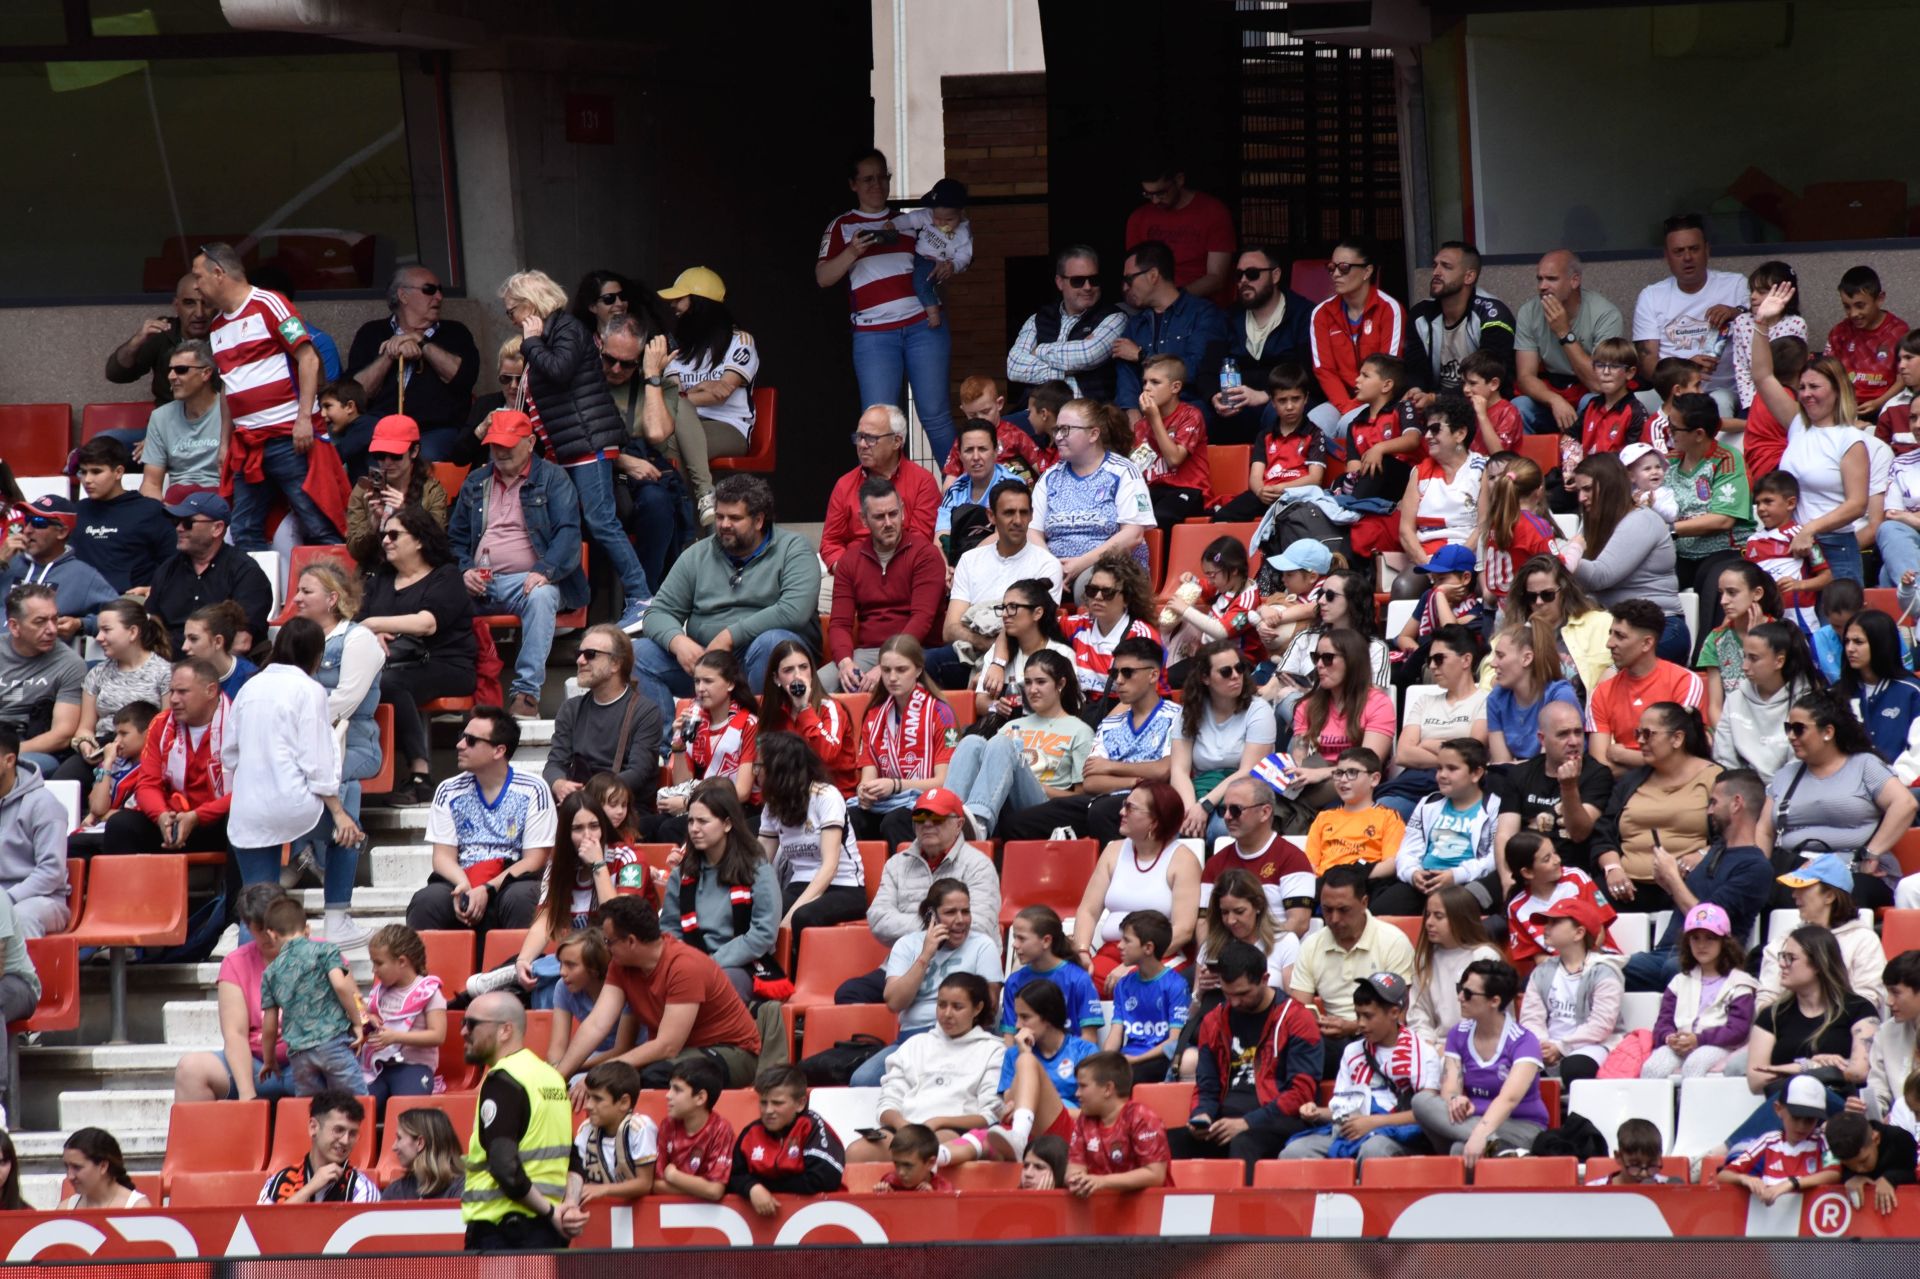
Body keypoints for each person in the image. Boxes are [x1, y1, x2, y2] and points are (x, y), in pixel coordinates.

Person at [499, 269, 653, 632]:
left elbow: (559, 370)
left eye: (512, 310)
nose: (511, 319)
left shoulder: (566, 328)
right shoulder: (549, 334)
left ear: (531, 303)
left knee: (601, 521)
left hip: (588, 442)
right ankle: (572, 600)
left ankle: (642, 597)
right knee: (565, 522)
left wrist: (531, 342)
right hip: (569, 446)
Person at [635, 474, 822, 748]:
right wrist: (678, 642)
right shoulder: (697, 555)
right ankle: (671, 749)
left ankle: (756, 745)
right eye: (720, 516)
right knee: (639, 653)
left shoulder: (793, 549)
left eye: (734, 518)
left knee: (772, 642)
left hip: (762, 659)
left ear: (759, 520)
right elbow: (657, 613)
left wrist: (730, 636)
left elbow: (794, 610)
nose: (723, 524)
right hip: (708, 659)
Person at [192, 242, 350, 549]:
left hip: (290, 439)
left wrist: (304, 419)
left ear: (219, 273)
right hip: (248, 445)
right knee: (244, 530)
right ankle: (257, 584)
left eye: (199, 276)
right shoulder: (217, 326)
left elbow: (308, 358)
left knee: (320, 523)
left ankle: (337, 581)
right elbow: (229, 386)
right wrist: (224, 443)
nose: (196, 285)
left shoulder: (269, 303)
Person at [224, 618, 368, 946]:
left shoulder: (249, 687)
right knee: (350, 832)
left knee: (257, 906)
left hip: (249, 809)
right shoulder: (310, 689)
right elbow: (318, 760)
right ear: (317, 655)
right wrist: (339, 812)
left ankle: (248, 977)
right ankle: (337, 921)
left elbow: (228, 753)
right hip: (293, 804)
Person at [817, 147, 955, 465]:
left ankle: (961, 491)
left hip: (924, 326)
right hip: (874, 334)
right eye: (868, 179)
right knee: (878, 423)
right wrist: (853, 251)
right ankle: (882, 495)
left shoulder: (909, 222)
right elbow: (823, 277)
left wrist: (947, 265)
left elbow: (946, 254)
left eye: (882, 177)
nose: (876, 185)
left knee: (935, 415)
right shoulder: (842, 225)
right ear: (853, 184)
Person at [447, 409, 586, 722]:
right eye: (495, 444)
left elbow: (568, 534)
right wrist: (464, 570)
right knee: (441, 596)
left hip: (528, 580)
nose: (500, 451)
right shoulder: (476, 480)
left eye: (508, 444)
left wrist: (544, 570)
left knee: (542, 595)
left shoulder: (553, 478)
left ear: (531, 442)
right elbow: (454, 540)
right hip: (480, 580)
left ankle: (526, 695)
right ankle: (457, 691)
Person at [560, 893, 763, 1090]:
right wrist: (559, 1076)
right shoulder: (620, 965)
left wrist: (600, 1072)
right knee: (627, 1078)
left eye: (609, 942)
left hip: (732, 1052)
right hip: (682, 1053)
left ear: (631, 941)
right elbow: (597, 1023)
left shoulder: (684, 966)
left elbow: (668, 1045)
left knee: (653, 1076)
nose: (606, 949)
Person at [1752, 281, 1873, 584]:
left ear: (1836, 390)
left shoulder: (1850, 439)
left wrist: (1811, 529)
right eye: (1802, 386)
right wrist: (1762, 323)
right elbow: (1762, 375)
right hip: (1794, 545)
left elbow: (1857, 505)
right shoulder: (1797, 424)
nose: (1806, 394)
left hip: (1834, 546)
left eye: (1815, 387)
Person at [1172, 940, 1323, 1168]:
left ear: (1264, 979)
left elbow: (1300, 1093)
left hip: (1278, 1120)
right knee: (1168, 1142)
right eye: (1227, 993)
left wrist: (1247, 1122)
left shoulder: (1297, 1019)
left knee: (1244, 1143)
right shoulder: (1214, 1021)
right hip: (1224, 1121)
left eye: (1243, 993)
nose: (1234, 1002)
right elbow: (1207, 1086)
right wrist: (1202, 1115)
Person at [282, 563, 381, 908]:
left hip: (355, 743)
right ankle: (314, 859)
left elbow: (347, 699)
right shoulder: (295, 638)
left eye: (306, 591)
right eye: (298, 590)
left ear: (332, 599)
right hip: (305, 742)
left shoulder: (359, 638)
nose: (296, 598)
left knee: (330, 776)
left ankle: (317, 862)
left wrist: (299, 722)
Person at [404, 706, 553, 935]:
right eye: (461, 736)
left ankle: (518, 959)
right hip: (461, 876)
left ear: (498, 751)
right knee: (427, 900)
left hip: (510, 880)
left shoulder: (533, 789)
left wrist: (487, 888)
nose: (460, 745)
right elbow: (442, 857)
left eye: (471, 740)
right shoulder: (448, 790)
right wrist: (463, 885)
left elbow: (534, 859)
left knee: (522, 897)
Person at [364, 504, 478, 805]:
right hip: (396, 662)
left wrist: (375, 624)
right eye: (384, 534)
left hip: (446, 664)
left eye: (394, 534)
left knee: (390, 684)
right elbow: (357, 620)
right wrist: (372, 634)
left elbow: (427, 623)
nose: (385, 540)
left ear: (418, 540)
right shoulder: (381, 580)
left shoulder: (446, 576)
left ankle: (420, 775)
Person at [1728, 926, 1877, 1150]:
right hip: (1787, 1112)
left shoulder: (1858, 1009)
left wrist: (1802, 1069)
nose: (1782, 964)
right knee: (1794, 1092)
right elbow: (1756, 1080)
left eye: (1791, 958)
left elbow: (1858, 1071)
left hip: (1840, 1111)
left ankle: (1732, 1151)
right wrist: (1815, 1067)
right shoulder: (1772, 1015)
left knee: (1802, 1088)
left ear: (1817, 964)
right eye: (1782, 957)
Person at [459, 992, 588, 1250]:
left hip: (504, 1233)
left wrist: (552, 1212)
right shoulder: (551, 1078)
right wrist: (569, 1207)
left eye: (471, 1024)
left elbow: (505, 1167)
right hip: (547, 1232)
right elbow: (573, 1157)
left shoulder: (503, 1079)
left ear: (505, 1030)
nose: (463, 1032)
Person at [1765, 693, 1914, 913]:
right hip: (1794, 869)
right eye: (1788, 728)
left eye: (1799, 729)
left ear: (1828, 732)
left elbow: (1905, 804)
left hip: (1851, 869)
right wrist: (1760, 870)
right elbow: (1764, 830)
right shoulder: (1786, 775)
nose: (1791, 736)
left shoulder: (1865, 765)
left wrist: (1871, 854)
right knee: (1763, 891)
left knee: (1828, 895)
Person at [854, 878, 1005, 1088]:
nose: (960, 920)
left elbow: (989, 1008)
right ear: (931, 915)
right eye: (950, 912)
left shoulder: (982, 945)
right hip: (913, 1040)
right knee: (863, 1080)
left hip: (963, 1038)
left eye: (966, 911)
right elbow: (895, 1002)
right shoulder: (907, 945)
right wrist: (926, 955)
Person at [846, 971, 1007, 1164]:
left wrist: (939, 1121)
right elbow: (888, 1103)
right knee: (857, 1152)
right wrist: (903, 1125)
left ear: (977, 1008)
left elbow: (990, 1115)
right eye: (942, 1005)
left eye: (957, 1007)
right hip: (906, 1129)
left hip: (955, 1130)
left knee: (924, 1150)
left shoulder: (993, 1050)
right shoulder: (915, 1045)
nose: (947, 1014)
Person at [1283, 970, 1438, 1165]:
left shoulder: (1423, 1052)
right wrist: (1317, 1112)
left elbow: (1427, 1114)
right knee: (1294, 1152)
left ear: (1394, 1012)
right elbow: (1343, 1109)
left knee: (1374, 1149)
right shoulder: (1353, 1051)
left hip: (1400, 1136)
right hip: (1351, 1131)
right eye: (1357, 1015)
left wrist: (1373, 1123)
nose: (1361, 1024)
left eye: (1368, 1016)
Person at [1410, 958, 1549, 1167]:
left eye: (1468, 994)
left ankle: (1491, 1144)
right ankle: (1497, 1147)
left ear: (1494, 1001)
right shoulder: (1458, 1034)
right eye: (1460, 989)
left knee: (1460, 1149)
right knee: (1421, 1102)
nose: (1459, 998)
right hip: (1470, 1120)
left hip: (1519, 1125)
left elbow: (1509, 1099)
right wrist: (1455, 1099)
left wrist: (1481, 1134)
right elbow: (1450, 1087)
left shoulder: (1524, 1041)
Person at [943, 651, 1093, 838]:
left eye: (1041, 682)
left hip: (1042, 807)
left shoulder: (1079, 730)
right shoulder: (1011, 726)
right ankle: (945, 816)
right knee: (971, 742)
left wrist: (1043, 789)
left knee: (1002, 743)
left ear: (1061, 684)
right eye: (1028, 683)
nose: (1032, 690)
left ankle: (979, 821)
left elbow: (1082, 798)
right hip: (1000, 802)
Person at [1070, 783, 1201, 993]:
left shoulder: (1183, 860)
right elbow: (1088, 910)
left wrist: (1138, 962)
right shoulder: (1112, 851)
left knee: (1135, 988)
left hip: (1160, 955)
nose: (1121, 812)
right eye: (1124, 804)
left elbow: (1183, 929)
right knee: (1075, 987)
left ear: (1155, 821)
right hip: (1113, 950)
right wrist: (1082, 951)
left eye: (1130, 808)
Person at [1590, 702, 1721, 914]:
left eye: (1648, 734)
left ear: (1677, 738)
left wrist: (1702, 854)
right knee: (1586, 902)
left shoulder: (1715, 779)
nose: (1640, 741)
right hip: (1628, 888)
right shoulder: (1630, 782)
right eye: (1638, 733)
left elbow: (1732, 835)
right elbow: (1603, 833)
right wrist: (1613, 869)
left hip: (1688, 884)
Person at [172, 884, 296, 1102]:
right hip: (255, 1064)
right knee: (190, 1071)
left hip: (307, 1062)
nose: (270, 935)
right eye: (260, 928)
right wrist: (247, 1095)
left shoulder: (320, 954)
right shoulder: (235, 963)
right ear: (248, 927)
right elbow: (235, 1034)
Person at [935, 479, 1064, 689]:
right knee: (921, 664)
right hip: (969, 652)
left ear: (1032, 515)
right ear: (991, 516)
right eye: (1009, 513)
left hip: (1022, 657)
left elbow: (1038, 630)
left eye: (1024, 512)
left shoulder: (1047, 564)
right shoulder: (970, 560)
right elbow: (950, 630)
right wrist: (987, 646)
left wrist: (996, 660)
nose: (1018, 520)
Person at [656, 267, 760, 520]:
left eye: (680, 299)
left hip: (730, 426)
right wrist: (699, 390)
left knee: (674, 439)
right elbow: (674, 395)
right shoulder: (678, 349)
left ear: (699, 303)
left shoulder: (739, 342)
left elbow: (721, 393)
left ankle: (686, 523)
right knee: (673, 425)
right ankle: (703, 504)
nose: (673, 305)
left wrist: (685, 397)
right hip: (686, 424)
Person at [99, 657, 230, 857]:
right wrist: (161, 815)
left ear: (210, 691)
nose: (173, 699)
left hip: (215, 821)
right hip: (172, 819)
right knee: (121, 824)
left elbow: (245, 793)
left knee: (239, 817)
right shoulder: (161, 724)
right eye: (172, 691)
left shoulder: (237, 722)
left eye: (183, 692)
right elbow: (147, 784)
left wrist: (197, 816)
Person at [345, 266, 480, 460]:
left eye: (440, 290)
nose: (439, 297)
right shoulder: (371, 332)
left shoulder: (456, 332)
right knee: (364, 455)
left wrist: (422, 342)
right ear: (403, 295)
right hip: (381, 429)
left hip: (434, 430)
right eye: (429, 290)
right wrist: (390, 354)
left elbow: (463, 378)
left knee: (424, 459)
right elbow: (355, 395)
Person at [1291, 865, 1417, 1071]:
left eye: (1343, 910)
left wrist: (1354, 1027)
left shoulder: (1393, 941)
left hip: (1380, 1038)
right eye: (1327, 910)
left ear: (1364, 903)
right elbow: (1299, 1011)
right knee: (1296, 1043)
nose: (1334, 919)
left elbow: (1398, 1018)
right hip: (1330, 1040)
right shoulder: (1311, 945)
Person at [829, 478, 947, 690]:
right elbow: (839, 623)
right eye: (879, 517)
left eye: (893, 514)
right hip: (867, 653)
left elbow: (922, 618)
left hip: (915, 650)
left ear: (903, 511)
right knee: (817, 687)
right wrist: (845, 663)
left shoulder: (925, 554)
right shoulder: (850, 560)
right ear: (863, 520)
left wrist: (886, 666)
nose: (889, 523)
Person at [1570, 457, 1689, 662]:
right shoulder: (1592, 522)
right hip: (1610, 628)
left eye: (1587, 489)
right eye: (1579, 490)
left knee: (1606, 668)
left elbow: (1600, 576)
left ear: (1609, 487)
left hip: (1658, 628)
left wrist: (1563, 558)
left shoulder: (1642, 520)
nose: (1581, 498)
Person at [1029, 399, 1154, 589]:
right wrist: (1052, 568)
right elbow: (1033, 531)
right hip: (1056, 570)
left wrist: (1080, 564)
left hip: (1114, 568)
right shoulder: (1049, 477)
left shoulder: (1123, 471)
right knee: (1021, 588)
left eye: (1066, 430)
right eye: (1057, 430)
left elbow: (1133, 535)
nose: (1058, 437)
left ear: (1093, 434)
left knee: (1088, 586)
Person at [756, 733, 865, 950]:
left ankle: (797, 971)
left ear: (778, 768)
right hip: (799, 883)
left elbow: (829, 867)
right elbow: (758, 861)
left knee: (802, 917)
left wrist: (790, 915)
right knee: (756, 911)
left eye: (759, 766)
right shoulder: (772, 806)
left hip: (843, 887)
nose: (755, 772)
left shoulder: (826, 796)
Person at [543, 622, 661, 814]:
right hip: (580, 809)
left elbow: (638, 773)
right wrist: (559, 784)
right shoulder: (571, 709)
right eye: (578, 653)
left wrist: (593, 794)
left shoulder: (645, 711)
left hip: (624, 810)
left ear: (616, 663)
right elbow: (555, 764)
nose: (580, 660)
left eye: (590, 654)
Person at [1307, 238, 1417, 440]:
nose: (1336, 274)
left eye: (1344, 268)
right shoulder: (1321, 313)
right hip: (1341, 399)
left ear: (1367, 271)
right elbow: (1324, 369)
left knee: (1349, 425)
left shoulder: (1389, 308)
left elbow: (1388, 367)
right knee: (1312, 426)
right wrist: (1346, 405)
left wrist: (1355, 407)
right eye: (1331, 268)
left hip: (1381, 398)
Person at [850, 636, 957, 845]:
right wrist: (864, 792)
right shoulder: (874, 715)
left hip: (929, 805)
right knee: (850, 818)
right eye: (886, 670)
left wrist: (896, 785)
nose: (892, 678)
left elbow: (944, 782)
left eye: (901, 670)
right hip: (884, 804)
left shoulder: (941, 713)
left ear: (918, 670)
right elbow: (867, 778)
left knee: (895, 821)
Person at [1630, 214, 1749, 401]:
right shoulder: (1651, 296)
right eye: (1678, 251)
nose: (1687, 257)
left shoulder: (1735, 285)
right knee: (1635, 404)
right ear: (1667, 256)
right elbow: (1647, 364)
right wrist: (1684, 369)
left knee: (1721, 402)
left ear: (1707, 250)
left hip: (1720, 391)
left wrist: (1735, 313)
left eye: (1694, 249)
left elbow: (1763, 323)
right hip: (1670, 392)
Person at [1377, 738, 1501, 915]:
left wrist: (1456, 875)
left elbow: (1494, 857)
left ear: (1476, 773)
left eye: (1452, 768)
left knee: (1448, 912)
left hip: (1465, 880)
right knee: (1381, 910)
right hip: (1424, 878)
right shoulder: (1428, 803)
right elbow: (1408, 849)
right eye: (1439, 768)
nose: (1442, 775)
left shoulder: (1494, 807)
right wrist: (1413, 874)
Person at [1287, 628, 1396, 829]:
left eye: (1328, 658)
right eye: (1316, 657)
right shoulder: (1308, 705)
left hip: (1357, 782)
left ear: (1352, 661)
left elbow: (1368, 763)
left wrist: (1323, 773)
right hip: (1316, 779)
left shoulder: (1378, 704)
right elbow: (1300, 756)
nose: (1319, 665)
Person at [257, 895, 365, 1096]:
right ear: (307, 929)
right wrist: (357, 1022)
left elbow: (269, 1026)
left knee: (313, 1107)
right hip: (333, 1042)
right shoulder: (325, 950)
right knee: (355, 1101)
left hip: (300, 1054)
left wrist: (269, 1060)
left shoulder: (270, 973)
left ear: (271, 934)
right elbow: (340, 985)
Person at [56, 599, 170, 787]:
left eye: (106, 630)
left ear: (132, 632)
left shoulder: (164, 673)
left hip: (144, 750)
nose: (99, 637)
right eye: (99, 630)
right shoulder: (97, 673)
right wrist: (85, 743)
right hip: (103, 747)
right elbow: (85, 728)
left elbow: (167, 729)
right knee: (62, 782)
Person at [1638, 902, 1758, 1081]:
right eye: (1695, 938)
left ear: (1724, 942)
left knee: (1695, 1064)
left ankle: (1691, 1100)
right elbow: (1663, 1023)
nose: (1702, 945)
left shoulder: (1740, 983)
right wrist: (1670, 1037)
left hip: (1721, 1046)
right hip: (1680, 1044)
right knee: (1652, 1067)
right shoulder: (1679, 982)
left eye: (1710, 938)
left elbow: (1738, 1030)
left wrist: (1698, 1039)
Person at [1510, 250, 1626, 433]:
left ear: (1574, 280)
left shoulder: (1605, 314)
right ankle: (1530, 454)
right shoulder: (1529, 311)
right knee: (1519, 406)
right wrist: (1554, 400)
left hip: (1588, 391)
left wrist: (1564, 332)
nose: (1542, 286)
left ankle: (1587, 453)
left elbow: (1599, 383)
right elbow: (1525, 377)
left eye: (1551, 279)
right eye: (1539, 279)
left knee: (1592, 402)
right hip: (1552, 391)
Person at [1585, 601, 1706, 776]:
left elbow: (1682, 758)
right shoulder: (1602, 692)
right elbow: (1600, 767)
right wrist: (1654, 765)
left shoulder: (1685, 682)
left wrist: (1623, 755)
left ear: (1647, 643)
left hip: (1679, 785)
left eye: (1620, 636)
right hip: (1623, 788)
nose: (1609, 643)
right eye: (1610, 634)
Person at [145, 490, 272, 657]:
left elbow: (241, 642)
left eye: (188, 523)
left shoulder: (246, 573)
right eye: (176, 521)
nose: (179, 528)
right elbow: (151, 628)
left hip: (221, 665)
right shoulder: (167, 570)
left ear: (217, 528)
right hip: (167, 663)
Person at [1172, 643, 1277, 842]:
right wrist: (1190, 810)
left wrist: (1204, 805)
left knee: (1221, 830)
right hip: (1199, 790)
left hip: (1245, 797)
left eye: (1240, 668)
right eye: (1226, 672)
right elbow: (1179, 770)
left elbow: (1248, 771)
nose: (1236, 676)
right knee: (1174, 829)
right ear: (1205, 678)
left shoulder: (1258, 710)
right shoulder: (1190, 711)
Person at [1377, 625, 1486, 818]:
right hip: (1413, 786)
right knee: (1380, 815)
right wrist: (1453, 762)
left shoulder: (1486, 700)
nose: (1432, 666)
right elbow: (1403, 754)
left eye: (1439, 659)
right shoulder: (1424, 701)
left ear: (1466, 660)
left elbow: (1473, 754)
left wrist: (1427, 744)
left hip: (1460, 790)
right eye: (1429, 660)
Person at [820, 405, 941, 575]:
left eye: (871, 438)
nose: (862, 444)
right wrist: (846, 570)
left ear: (896, 441)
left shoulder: (923, 482)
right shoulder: (844, 484)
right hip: (853, 573)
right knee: (819, 590)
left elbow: (919, 541)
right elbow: (830, 542)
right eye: (859, 437)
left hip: (904, 572)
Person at [1516, 897, 1624, 1084]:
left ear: (1579, 933)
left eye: (1554, 922)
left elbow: (1601, 1025)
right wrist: (1541, 1046)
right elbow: (1531, 1018)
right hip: (1549, 1045)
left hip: (1593, 1045)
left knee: (1576, 1067)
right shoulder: (1542, 971)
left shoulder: (1604, 971)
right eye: (1547, 922)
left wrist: (1561, 1047)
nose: (1546, 927)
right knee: (1516, 1066)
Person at [1112, 241, 1228, 415]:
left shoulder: (1203, 314)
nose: (1125, 287)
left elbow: (1198, 369)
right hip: (1144, 414)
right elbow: (1126, 381)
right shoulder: (1136, 324)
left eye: (1129, 279)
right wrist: (1133, 417)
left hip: (1189, 412)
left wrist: (1142, 356)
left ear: (1153, 275)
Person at [1764, 854, 1887, 1016]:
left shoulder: (1863, 940)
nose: (1794, 895)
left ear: (1829, 895)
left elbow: (1869, 1000)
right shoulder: (1784, 940)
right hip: (1787, 1027)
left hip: (1845, 1027)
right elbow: (1766, 998)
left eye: (1803, 887)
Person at [1212, 250, 1317, 438]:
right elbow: (1209, 366)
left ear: (1275, 275)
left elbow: (1309, 370)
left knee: (1275, 413)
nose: (1244, 280)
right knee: (1203, 413)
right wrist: (1215, 397)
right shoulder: (1228, 316)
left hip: (1286, 398)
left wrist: (1267, 395)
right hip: (1238, 403)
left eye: (1252, 274)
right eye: (1239, 275)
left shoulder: (1303, 314)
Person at [1006, 245, 1126, 404]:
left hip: (1088, 413)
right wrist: (1064, 371)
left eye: (1094, 280)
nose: (1088, 287)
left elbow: (1087, 354)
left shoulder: (1114, 317)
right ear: (1060, 282)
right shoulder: (1038, 319)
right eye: (1078, 281)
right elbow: (1013, 367)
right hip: (1037, 413)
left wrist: (1039, 351)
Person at [1214, 364, 1326, 521]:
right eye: (1282, 400)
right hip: (1267, 494)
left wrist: (1282, 488)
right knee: (1221, 517)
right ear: (1272, 402)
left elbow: (1315, 478)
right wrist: (1260, 491)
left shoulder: (1314, 433)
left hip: (1297, 494)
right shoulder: (1264, 435)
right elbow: (1255, 476)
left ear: (1306, 398)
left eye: (1295, 399)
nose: (1289, 406)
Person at [728, 1065, 847, 1210]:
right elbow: (732, 1176)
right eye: (763, 1103)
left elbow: (823, 1179)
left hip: (821, 1214)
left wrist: (764, 1188)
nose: (768, 1110)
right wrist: (752, 1188)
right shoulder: (751, 1133)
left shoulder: (812, 1128)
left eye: (777, 1103)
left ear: (800, 1103)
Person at [1716, 621, 1822, 779]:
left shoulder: (1807, 703)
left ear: (1779, 661)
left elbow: (1799, 764)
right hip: (1741, 786)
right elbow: (1724, 758)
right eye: (1744, 656)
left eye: (1753, 658)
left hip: (1789, 788)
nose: (1744, 666)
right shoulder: (1735, 698)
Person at [345, 415, 450, 573]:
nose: (387, 462)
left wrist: (407, 514)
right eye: (380, 455)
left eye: (395, 456)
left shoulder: (432, 491)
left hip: (419, 574)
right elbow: (355, 552)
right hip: (374, 573)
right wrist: (373, 524)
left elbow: (437, 547)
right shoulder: (363, 489)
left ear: (414, 451)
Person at [0, 496, 118, 635]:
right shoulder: (8, 562)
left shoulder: (82, 575)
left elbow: (123, 617)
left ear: (62, 532)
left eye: (38, 522)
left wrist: (81, 624)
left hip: (42, 648)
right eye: (27, 521)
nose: (27, 530)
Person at [1408, 886, 1502, 1056]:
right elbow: (1418, 1013)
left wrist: (1452, 1049)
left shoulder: (1484, 956)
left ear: (1460, 919)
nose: (1429, 922)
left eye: (1438, 916)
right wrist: (1427, 1045)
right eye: (1428, 915)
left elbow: (1493, 1017)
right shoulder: (1425, 959)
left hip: (1479, 1048)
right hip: (1434, 1048)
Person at [361, 923, 446, 1110]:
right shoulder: (380, 991)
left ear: (401, 961)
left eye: (379, 963)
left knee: (408, 1111)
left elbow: (438, 1035)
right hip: (378, 1067)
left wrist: (396, 1037)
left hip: (414, 1067)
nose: (374, 970)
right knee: (357, 1108)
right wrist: (366, 1019)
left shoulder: (428, 991)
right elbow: (368, 1019)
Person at [1718, 1075, 1842, 1202]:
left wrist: (1792, 1183)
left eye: (1810, 1120)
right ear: (1778, 1109)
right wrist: (1745, 1179)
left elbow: (1833, 1173)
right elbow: (1724, 1175)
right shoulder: (1767, 1141)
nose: (1801, 1126)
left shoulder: (1823, 1141)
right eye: (1796, 1117)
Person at [1125, 159, 1236, 301]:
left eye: (1161, 193)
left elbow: (1216, 278)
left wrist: (1173, 299)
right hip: (1152, 302)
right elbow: (1133, 273)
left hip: (1202, 304)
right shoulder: (1138, 218)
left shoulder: (1213, 212)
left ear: (1179, 180)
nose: (1155, 201)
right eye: (1148, 194)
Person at [1057, 556, 1160, 708]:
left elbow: (1144, 697)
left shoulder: (1141, 635)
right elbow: (1035, 626)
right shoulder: (1077, 624)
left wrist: (1104, 723)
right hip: (1084, 710)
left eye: (1107, 592)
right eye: (1092, 590)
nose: (1098, 597)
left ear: (1127, 599)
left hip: (1128, 711)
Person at [1062, 1051, 1171, 1195]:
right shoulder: (1085, 1120)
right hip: (1102, 1206)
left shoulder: (1141, 1117)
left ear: (1108, 1089)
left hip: (1152, 1206)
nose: (1077, 1093)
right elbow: (1075, 1165)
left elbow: (1155, 1175)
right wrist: (1075, 1179)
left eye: (1083, 1086)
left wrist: (1102, 1182)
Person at [73, 439, 173, 594]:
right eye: (83, 472)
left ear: (118, 472)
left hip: (131, 600)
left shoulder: (150, 510)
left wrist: (153, 590)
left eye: (96, 472)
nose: (87, 480)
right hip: (80, 598)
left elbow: (173, 562)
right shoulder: (76, 511)